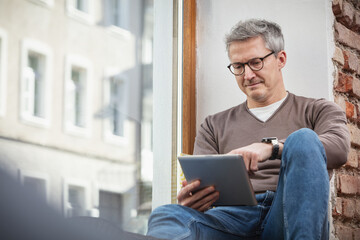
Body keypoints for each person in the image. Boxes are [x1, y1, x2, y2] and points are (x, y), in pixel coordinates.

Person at [146, 19, 350, 240]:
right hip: (232, 220)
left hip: (290, 215)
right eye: (239, 66)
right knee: (165, 215)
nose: (248, 75)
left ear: (280, 59)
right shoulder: (213, 125)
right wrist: (193, 201)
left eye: (255, 62)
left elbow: (339, 149)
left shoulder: (317, 110)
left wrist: (271, 148)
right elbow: (201, 187)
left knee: (304, 139)